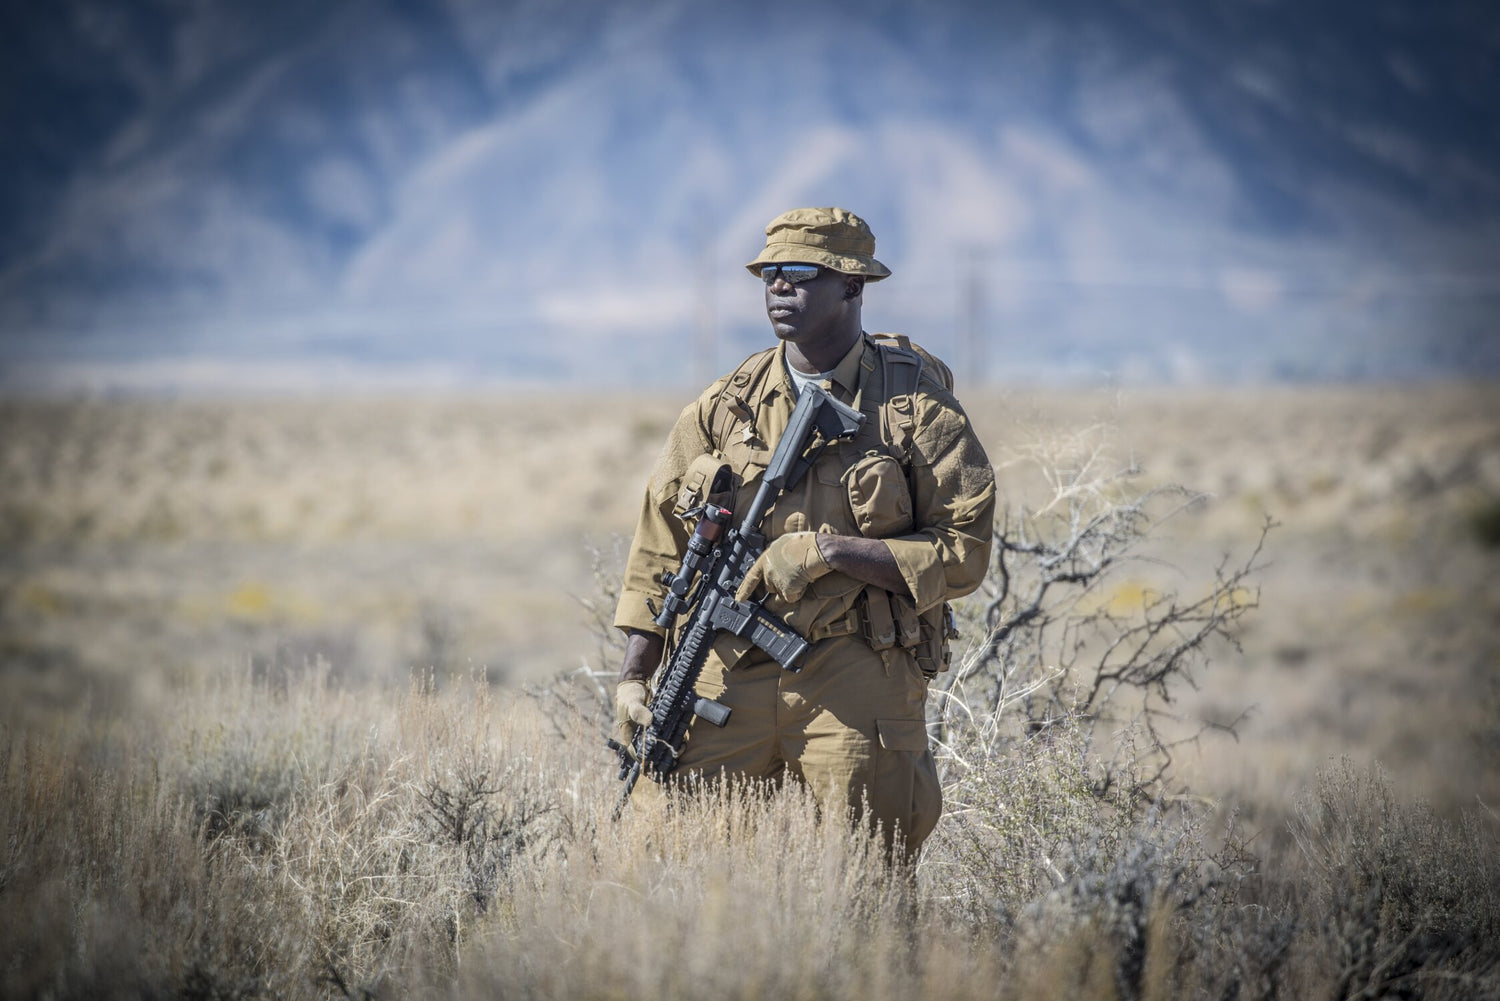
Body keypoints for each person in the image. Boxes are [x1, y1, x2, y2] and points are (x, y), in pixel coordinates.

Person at [613, 207, 995, 855]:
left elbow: (964, 552)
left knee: (867, 870)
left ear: (852, 284)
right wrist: (633, 675)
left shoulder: (917, 409)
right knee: (667, 854)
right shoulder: (725, 406)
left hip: (859, 671)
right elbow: (660, 551)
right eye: (769, 274)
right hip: (725, 669)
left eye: (800, 272)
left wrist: (830, 552)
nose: (779, 287)